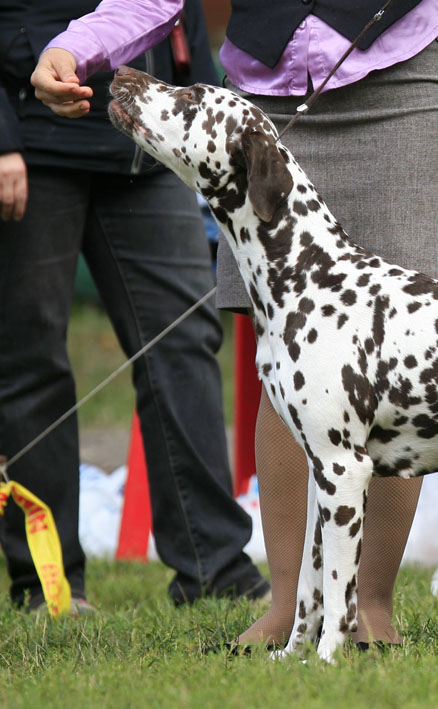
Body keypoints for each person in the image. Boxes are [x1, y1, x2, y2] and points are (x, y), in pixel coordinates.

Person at [32, 0, 438, 647]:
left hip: (403, 84)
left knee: (393, 365)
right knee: (293, 365)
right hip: (268, 111)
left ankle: (370, 606)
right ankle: (287, 606)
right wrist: (74, 49)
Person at [0, 0, 270, 611]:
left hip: (146, 147)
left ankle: (216, 573)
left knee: (184, 344)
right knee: (30, 360)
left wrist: (195, 107)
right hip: (30, 145)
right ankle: (48, 587)